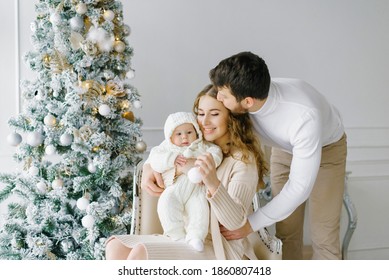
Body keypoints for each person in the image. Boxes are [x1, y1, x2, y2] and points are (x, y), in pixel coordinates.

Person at [209, 51, 347, 260]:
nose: (218, 98)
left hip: (327, 148)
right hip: (284, 148)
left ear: (247, 102)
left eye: (223, 95)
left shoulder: (302, 116)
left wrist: (251, 224)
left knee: (324, 236)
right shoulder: (244, 93)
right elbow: (196, 127)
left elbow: (299, 188)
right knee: (286, 232)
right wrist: (150, 167)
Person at [105, 85, 268, 260]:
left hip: (221, 248)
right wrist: (150, 166)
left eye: (214, 114)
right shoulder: (193, 143)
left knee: (141, 254)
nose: (204, 122)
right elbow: (162, 152)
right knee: (115, 246)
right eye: (200, 113)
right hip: (184, 236)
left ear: (232, 118)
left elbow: (234, 222)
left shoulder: (242, 160)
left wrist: (213, 182)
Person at [148, 111, 223, 252]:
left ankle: (196, 237)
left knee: (199, 211)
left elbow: (216, 153)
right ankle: (177, 236)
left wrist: (204, 162)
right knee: (166, 203)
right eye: (179, 134)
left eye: (189, 132)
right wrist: (171, 159)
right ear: (170, 136)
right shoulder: (167, 148)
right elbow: (155, 159)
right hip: (175, 187)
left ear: (196, 132)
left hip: (197, 190)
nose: (185, 137)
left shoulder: (203, 146)